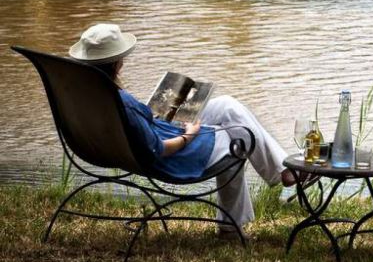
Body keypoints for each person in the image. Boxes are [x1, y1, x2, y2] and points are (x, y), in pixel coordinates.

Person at [68, 23, 297, 236]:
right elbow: (157, 149)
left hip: (144, 139)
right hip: (172, 154)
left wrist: (153, 115)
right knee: (236, 138)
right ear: (117, 64)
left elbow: (133, 129)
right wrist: (189, 135)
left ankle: (281, 171)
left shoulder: (83, 96)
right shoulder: (122, 103)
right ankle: (235, 222)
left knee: (227, 106)